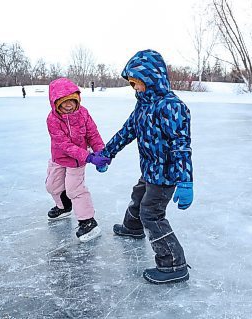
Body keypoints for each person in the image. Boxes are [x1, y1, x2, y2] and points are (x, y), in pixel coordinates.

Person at [99, 49, 194, 284]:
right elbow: (126, 132)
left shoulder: (172, 106)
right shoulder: (142, 105)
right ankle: (132, 227)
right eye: (132, 85)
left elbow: (181, 146)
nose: (136, 89)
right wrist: (106, 154)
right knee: (138, 194)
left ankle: (174, 264)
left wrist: (185, 180)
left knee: (151, 213)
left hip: (167, 175)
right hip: (150, 170)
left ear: (151, 79)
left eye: (137, 83)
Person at [45, 77, 111, 242]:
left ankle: (88, 221)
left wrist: (101, 154)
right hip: (60, 158)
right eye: (63, 102)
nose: (68, 105)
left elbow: (93, 134)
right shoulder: (52, 119)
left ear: (77, 100)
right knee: (52, 185)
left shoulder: (83, 114)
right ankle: (64, 207)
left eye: (72, 101)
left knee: (74, 189)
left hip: (77, 162)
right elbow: (64, 144)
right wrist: (88, 156)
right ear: (55, 103)